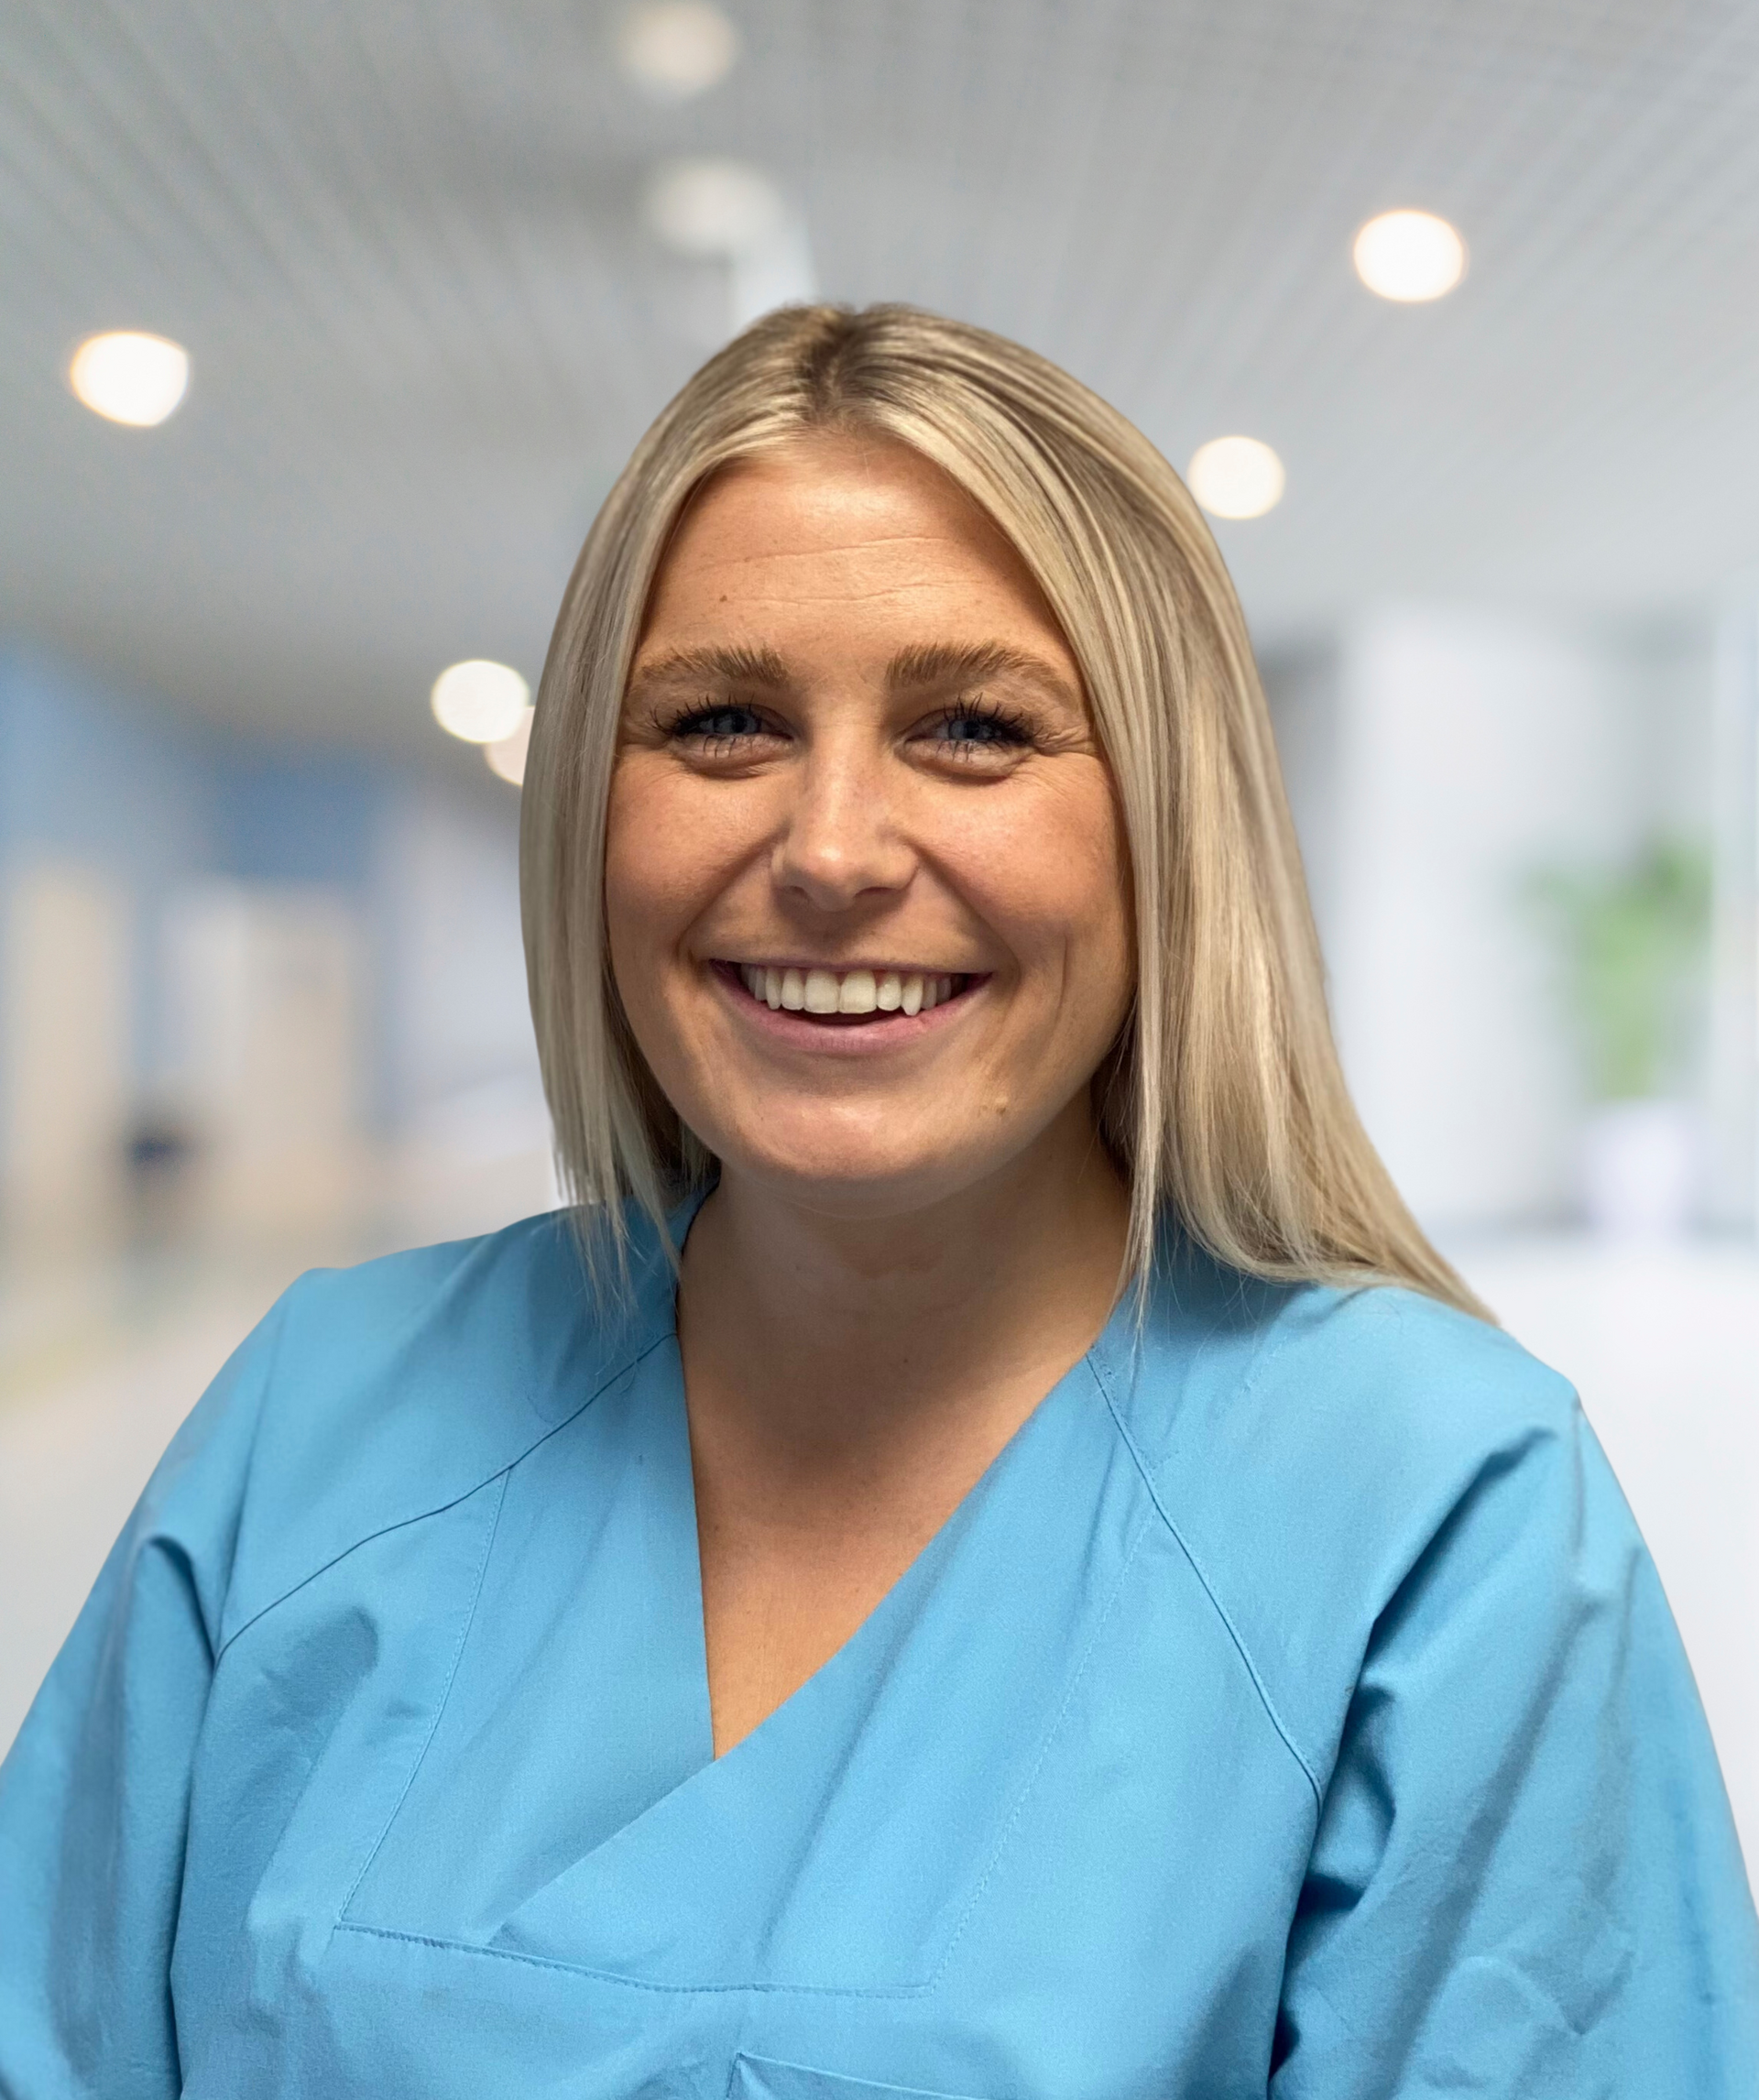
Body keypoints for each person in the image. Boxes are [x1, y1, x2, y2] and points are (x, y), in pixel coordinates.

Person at [1, 304, 1754, 2097]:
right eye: (723, 723)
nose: (831, 849)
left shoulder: (1431, 1519)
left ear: (1169, 826)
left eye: (975, 728)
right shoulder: (322, 1419)